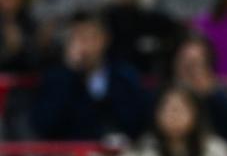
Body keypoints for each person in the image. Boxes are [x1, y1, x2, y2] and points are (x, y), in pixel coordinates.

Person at [30, 11, 150, 140]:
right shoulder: (55, 78)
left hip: (118, 155)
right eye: (78, 37)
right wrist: (70, 73)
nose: (84, 45)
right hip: (67, 155)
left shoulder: (124, 75)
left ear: (105, 39)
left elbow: (135, 122)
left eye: (90, 37)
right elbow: (44, 126)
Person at [173, 34, 227, 142]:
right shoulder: (163, 96)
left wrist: (213, 94)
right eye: (186, 64)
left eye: (197, 64)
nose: (192, 71)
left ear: (209, 65)